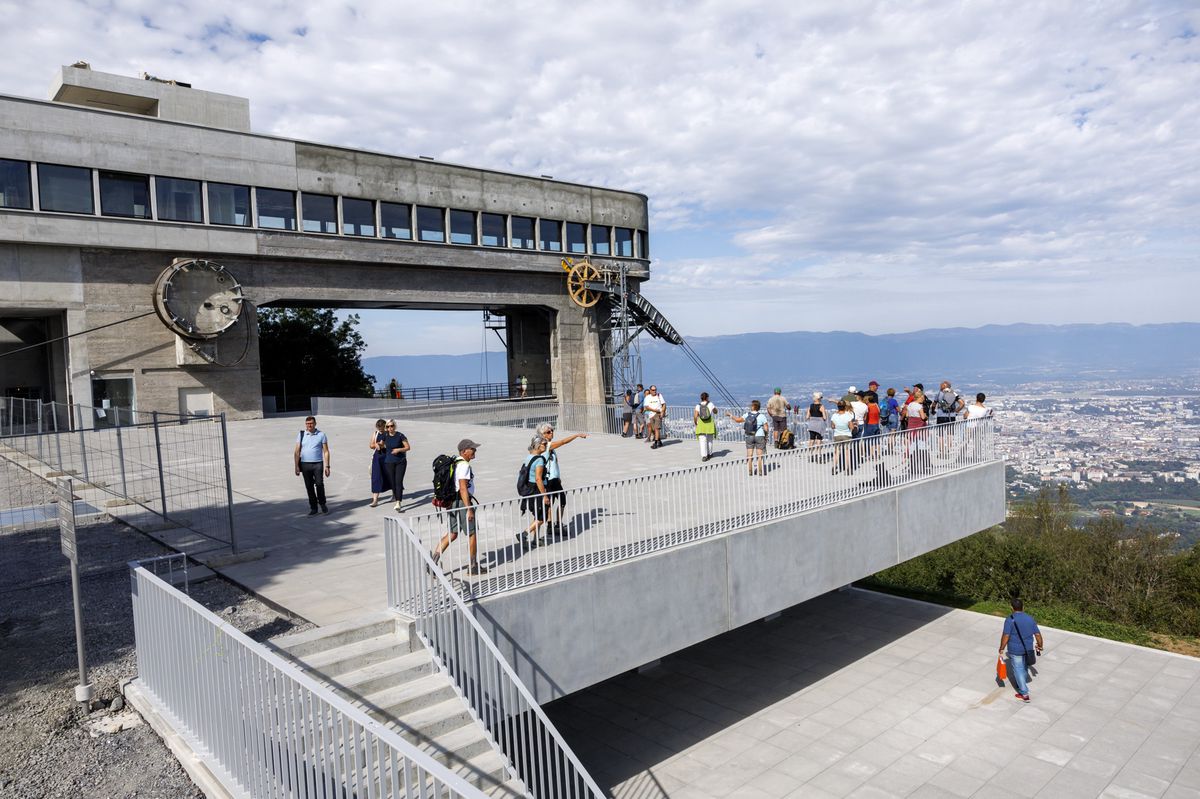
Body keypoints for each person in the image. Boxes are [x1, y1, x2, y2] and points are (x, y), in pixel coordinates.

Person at [431, 439, 486, 575]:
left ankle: (432, 562)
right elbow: (462, 488)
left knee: (452, 533)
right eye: (472, 449)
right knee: (472, 533)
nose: (475, 451)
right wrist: (469, 509)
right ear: (464, 451)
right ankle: (473, 566)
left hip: (452, 502)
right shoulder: (464, 466)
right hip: (462, 502)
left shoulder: (455, 462)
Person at [536, 422, 589, 536]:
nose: (551, 433)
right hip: (549, 480)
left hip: (555, 479)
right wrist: (576, 435)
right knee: (550, 502)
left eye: (552, 430)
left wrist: (559, 477)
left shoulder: (549, 445)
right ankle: (551, 526)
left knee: (562, 501)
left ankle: (556, 524)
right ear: (543, 435)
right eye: (548, 432)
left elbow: (555, 463)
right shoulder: (546, 446)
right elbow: (563, 442)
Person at [999, 598, 1044, 701]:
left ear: (1011, 607)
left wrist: (1001, 648)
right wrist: (1040, 645)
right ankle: (1022, 682)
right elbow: (1037, 634)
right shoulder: (1030, 618)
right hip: (1028, 648)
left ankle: (1024, 693)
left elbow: (1006, 635)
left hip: (1015, 650)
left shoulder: (1010, 619)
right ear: (1023, 607)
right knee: (1023, 667)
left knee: (1018, 670)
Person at [518, 436, 551, 549]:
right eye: (544, 444)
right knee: (542, 517)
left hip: (529, 489)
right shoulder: (539, 459)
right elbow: (538, 478)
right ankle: (524, 534)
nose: (546, 446)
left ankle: (535, 540)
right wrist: (545, 495)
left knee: (537, 515)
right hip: (537, 489)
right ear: (537, 445)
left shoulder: (529, 457)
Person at [294, 415, 330, 515]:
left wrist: (327, 466)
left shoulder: (321, 435)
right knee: (309, 486)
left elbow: (326, 451)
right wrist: (296, 466)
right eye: (307, 424)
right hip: (305, 464)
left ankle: (322, 504)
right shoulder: (301, 434)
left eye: (311, 423)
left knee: (319, 484)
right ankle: (313, 508)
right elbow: (297, 451)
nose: (309, 425)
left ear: (315, 424)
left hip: (318, 463)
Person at [728, 400, 768, 476]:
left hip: (749, 436)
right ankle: (760, 471)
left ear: (752, 407)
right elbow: (766, 428)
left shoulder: (746, 415)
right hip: (759, 436)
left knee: (749, 455)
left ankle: (750, 471)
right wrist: (765, 436)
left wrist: (730, 415)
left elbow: (737, 420)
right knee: (760, 455)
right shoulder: (762, 416)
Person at [380, 418, 410, 511]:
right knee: (392, 483)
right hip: (389, 462)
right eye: (388, 427)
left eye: (392, 426)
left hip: (400, 462)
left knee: (398, 482)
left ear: (395, 426)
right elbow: (382, 445)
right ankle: (396, 496)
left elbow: (408, 447)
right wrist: (379, 445)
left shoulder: (400, 435)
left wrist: (399, 450)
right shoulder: (385, 435)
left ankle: (398, 502)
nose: (390, 428)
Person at [903, 387, 929, 473]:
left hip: (911, 427)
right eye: (923, 397)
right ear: (920, 397)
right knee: (921, 446)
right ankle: (921, 465)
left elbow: (906, 415)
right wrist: (926, 416)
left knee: (912, 446)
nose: (924, 399)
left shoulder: (910, 405)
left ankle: (912, 465)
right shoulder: (919, 406)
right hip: (920, 428)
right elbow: (923, 417)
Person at [368, 418, 391, 508]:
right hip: (377, 459)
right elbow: (371, 445)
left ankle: (395, 495)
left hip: (388, 458)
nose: (380, 431)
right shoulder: (375, 433)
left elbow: (392, 444)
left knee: (390, 476)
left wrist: (383, 445)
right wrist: (376, 445)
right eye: (379, 428)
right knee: (376, 477)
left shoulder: (389, 433)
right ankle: (375, 500)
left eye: (382, 429)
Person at [829, 400, 856, 473]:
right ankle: (848, 469)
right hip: (847, 435)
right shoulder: (847, 415)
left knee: (836, 452)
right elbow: (851, 427)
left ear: (838, 407)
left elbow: (832, 426)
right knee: (847, 453)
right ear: (845, 407)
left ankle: (834, 467)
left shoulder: (834, 415)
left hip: (837, 435)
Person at [694, 392, 718, 462]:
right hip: (709, 423)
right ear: (707, 398)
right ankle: (710, 453)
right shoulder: (710, 404)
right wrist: (714, 408)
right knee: (710, 439)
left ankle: (704, 456)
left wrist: (696, 423)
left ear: (701, 398)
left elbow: (695, 416)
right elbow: (715, 412)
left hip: (701, 424)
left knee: (702, 440)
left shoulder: (698, 406)